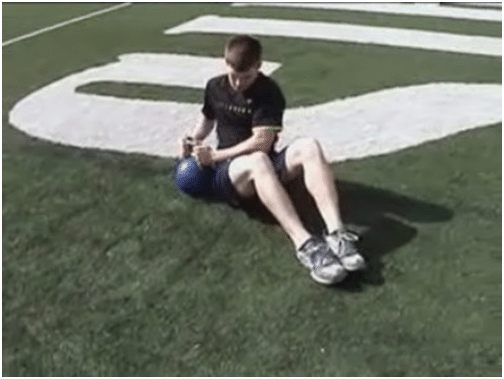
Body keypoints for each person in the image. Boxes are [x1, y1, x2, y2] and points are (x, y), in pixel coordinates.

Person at [177, 35, 365, 285]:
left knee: (308, 146)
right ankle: (305, 244)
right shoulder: (214, 86)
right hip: (231, 174)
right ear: (225, 63)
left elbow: (262, 142)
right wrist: (192, 139)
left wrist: (214, 155)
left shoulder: (269, 92)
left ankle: (336, 233)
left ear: (259, 66)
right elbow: (208, 119)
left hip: (254, 160)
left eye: (245, 77)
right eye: (233, 74)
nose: (237, 83)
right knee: (257, 161)